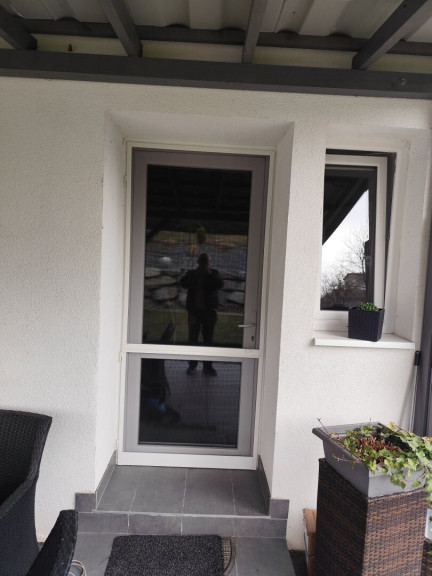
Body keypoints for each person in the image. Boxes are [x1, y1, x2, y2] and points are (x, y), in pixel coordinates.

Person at [180, 253, 224, 375]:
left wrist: (209, 273)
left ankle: (207, 367)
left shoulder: (214, 274)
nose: (204, 264)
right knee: (192, 339)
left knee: (208, 340)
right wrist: (196, 275)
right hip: (194, 312)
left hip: (208, 312)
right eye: (203, 262)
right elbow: (183, 283)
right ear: (198, 262)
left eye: (206, 262)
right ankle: (192, 365)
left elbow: (220, 284)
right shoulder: (192, 274)